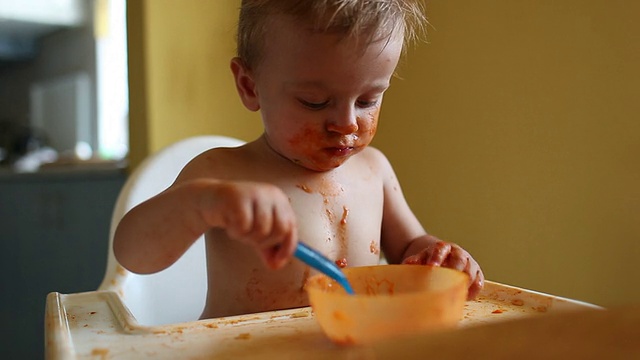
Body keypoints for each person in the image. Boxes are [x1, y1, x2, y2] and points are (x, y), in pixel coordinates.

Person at [114, 0, 484, 319]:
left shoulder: (375, 171)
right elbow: (134, 256)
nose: (347, 123)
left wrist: (440, 257)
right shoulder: (222, 174)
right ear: (249, 86)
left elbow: (409, 248)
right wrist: (203, 203)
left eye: (369, 99)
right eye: (314, 102)